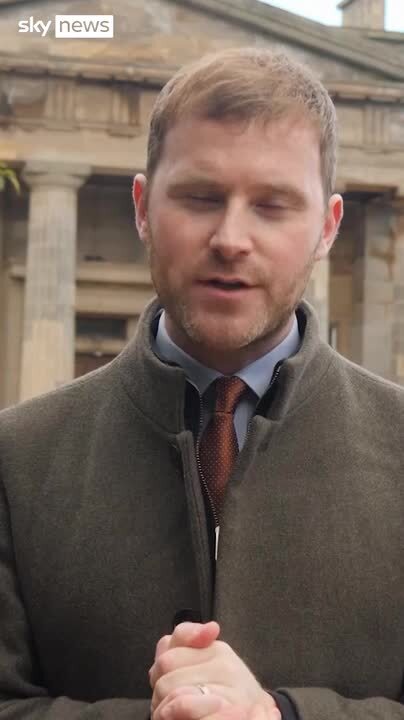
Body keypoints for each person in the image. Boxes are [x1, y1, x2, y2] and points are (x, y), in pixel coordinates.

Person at [0, 46, 403, 720]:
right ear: (142, 208)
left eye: (272, 205)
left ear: (328, 227)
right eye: (200, 197)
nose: (230, 239)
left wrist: (279, 715)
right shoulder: (15, 458)